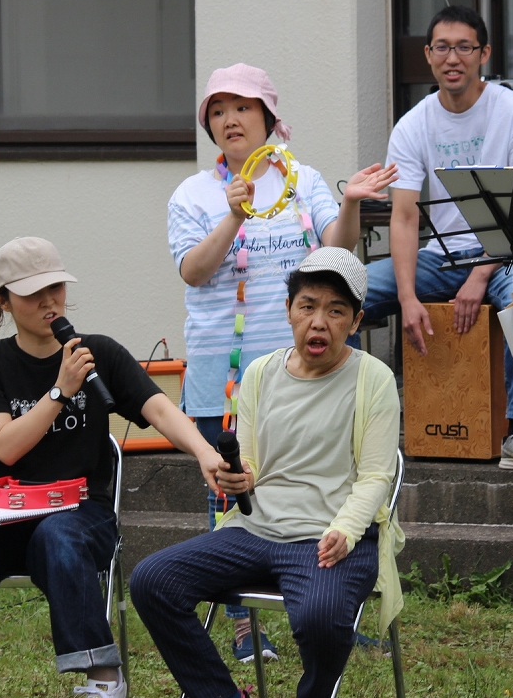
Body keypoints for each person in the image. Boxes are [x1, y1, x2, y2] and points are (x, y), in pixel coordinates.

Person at [0, 237, 223, 698]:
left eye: (55, 287)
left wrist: (205, 453)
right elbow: (5, 447)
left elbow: (159, 409)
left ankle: (103, 678)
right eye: (32, 293)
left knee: (59, 536)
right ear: (3, 301)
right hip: (2, 514)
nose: (49, 301)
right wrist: (59, 391)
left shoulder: (98, 353)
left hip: (79, 514)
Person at [167, 63, 397, 660]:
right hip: (227, 370)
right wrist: (234, 215)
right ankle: (245, 627)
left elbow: (336, 246)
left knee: (320, 482)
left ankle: (325, 604)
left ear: (269, 117)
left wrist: (348, 201)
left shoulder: (304, 178)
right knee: (235, 491)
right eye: (217, 111)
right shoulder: (194, 194)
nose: (228, 120)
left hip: (306, 365)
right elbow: (193, 270)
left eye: (241, 107)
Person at [130, 248, 403, 698]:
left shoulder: (373, 379)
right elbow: (251, 462)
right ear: (289, 311)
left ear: (355, 322)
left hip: (329, 537)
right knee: (152, 581)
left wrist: (347, 530)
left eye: (336, 311)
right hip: (255, 529)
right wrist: (239, 477)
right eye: (307, 306)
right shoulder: (260, 373)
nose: (319, 322)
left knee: (320, 619)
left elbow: (376, 476)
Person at [359, 5, 513, 474]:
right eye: (443, 47)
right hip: (442, 255)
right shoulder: (413, 125)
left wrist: (479, 274)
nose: (454, 57)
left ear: (483, 54)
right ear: (428, 55)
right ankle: (345, 425)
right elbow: (405, 218)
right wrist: (407, 297)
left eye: (464, 47)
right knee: (345, 290)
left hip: (509, 252)